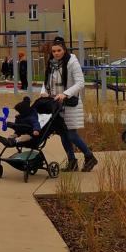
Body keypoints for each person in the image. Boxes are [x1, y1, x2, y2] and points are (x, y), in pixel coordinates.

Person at [42, 36, 96, 172]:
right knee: (63, 134)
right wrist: (44, 92)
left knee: (71, 134)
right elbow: (46, 81)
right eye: (53, 51)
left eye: (59, 50)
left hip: (70, 103)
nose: (56, 53)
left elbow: (80, 82)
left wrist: (65, 94)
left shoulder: (72, 62)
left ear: (64, 50)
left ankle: (89, 156)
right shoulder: (51, 63)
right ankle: (72, 161)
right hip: (56, 104)